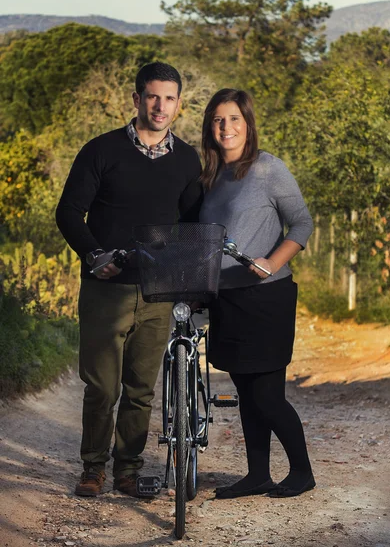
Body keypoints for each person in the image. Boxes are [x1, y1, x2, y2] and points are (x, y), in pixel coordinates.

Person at [56, 62, 203, 498]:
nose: (160, 106)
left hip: (158, 292)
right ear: (137, 99)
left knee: (140, 388)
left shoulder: (188, 159)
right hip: (107, 289)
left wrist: (190, 281)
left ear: (179, 103)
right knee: (101, 386)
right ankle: (92, 467)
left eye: (169, 98)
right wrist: (94, 254)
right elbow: (68, 212)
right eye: (152, 96)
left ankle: (128, 470)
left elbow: (193, 226)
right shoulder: (101, 151)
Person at [199, 88, 315, 499]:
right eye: (218, 120)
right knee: (247, 395)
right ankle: (258, 475)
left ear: (248, 125)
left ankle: (302, 472)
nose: (226, 127)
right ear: (209, 127)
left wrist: (272, 260)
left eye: (234, 119)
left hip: (267, 297)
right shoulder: (211, 177)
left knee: (267, 395)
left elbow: (302, 224)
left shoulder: (268, 169)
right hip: (226, 299)